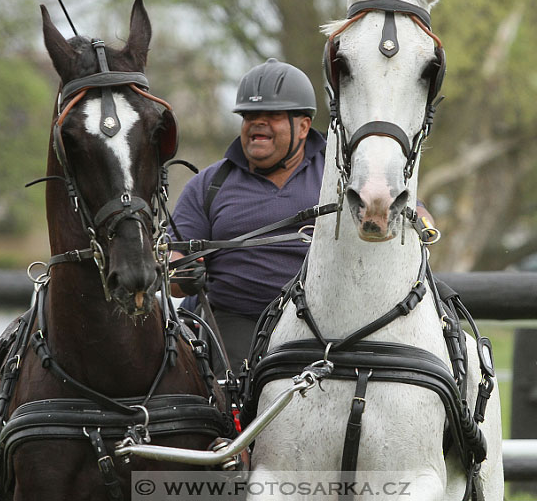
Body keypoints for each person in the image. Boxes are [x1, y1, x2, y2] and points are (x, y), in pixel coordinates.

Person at [170, 58, 433, 372]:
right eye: (250, 116)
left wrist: (415, 215)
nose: (258, 123)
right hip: (236, 320)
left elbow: (402, 208)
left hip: (330, 325)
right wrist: (181, 275)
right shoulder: (208, 185)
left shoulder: (343, 172)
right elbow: (173, 268)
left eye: (273, 115)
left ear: (304, 126)